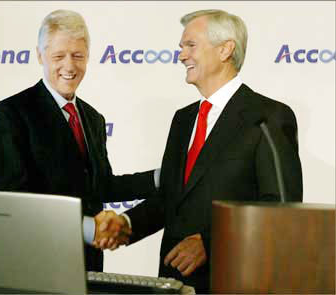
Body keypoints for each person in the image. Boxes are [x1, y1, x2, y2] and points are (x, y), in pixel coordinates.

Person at [95, 9, 303, 293]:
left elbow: (280, 209)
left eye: (190, 45)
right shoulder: (183, 119)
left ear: (225, 49)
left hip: (231, 282)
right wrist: (126, 224)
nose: (181, 56)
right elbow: (170, 198)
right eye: (182, 47)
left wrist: (211, 243)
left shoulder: (268, 116)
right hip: (173, 283)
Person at [0, 9, 156, 272]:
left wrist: (162, 177)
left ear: (88, 57)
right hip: (37, 264)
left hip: (88, 264)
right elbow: (16, 202)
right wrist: (88, 228)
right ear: (40, 56)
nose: (69, 66)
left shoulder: (93, 118)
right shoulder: (11, 113)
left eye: (78, 56)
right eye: (58, 56)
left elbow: (103, 186)